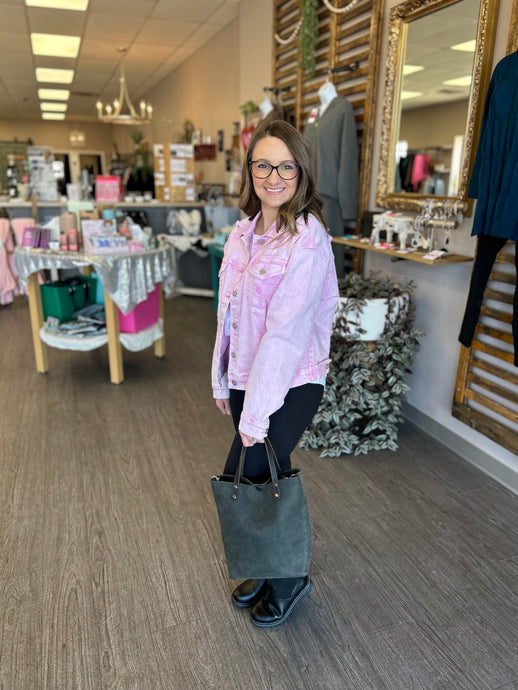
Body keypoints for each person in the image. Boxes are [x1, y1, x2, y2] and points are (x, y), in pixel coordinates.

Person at [211, 120, 339, 627]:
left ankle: (290, 579)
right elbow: (228, 313)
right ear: (250, 170)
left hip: (294, 379)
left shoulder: (306, 239)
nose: (274, 175)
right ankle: (269, 568)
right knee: (266, 471)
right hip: (247, 376)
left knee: (253, 470)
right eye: (263, 164)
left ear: (300, 172)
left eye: (286, 165)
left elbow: (285, 335)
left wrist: (257, 413)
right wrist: (222, 378)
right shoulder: (241, 234)